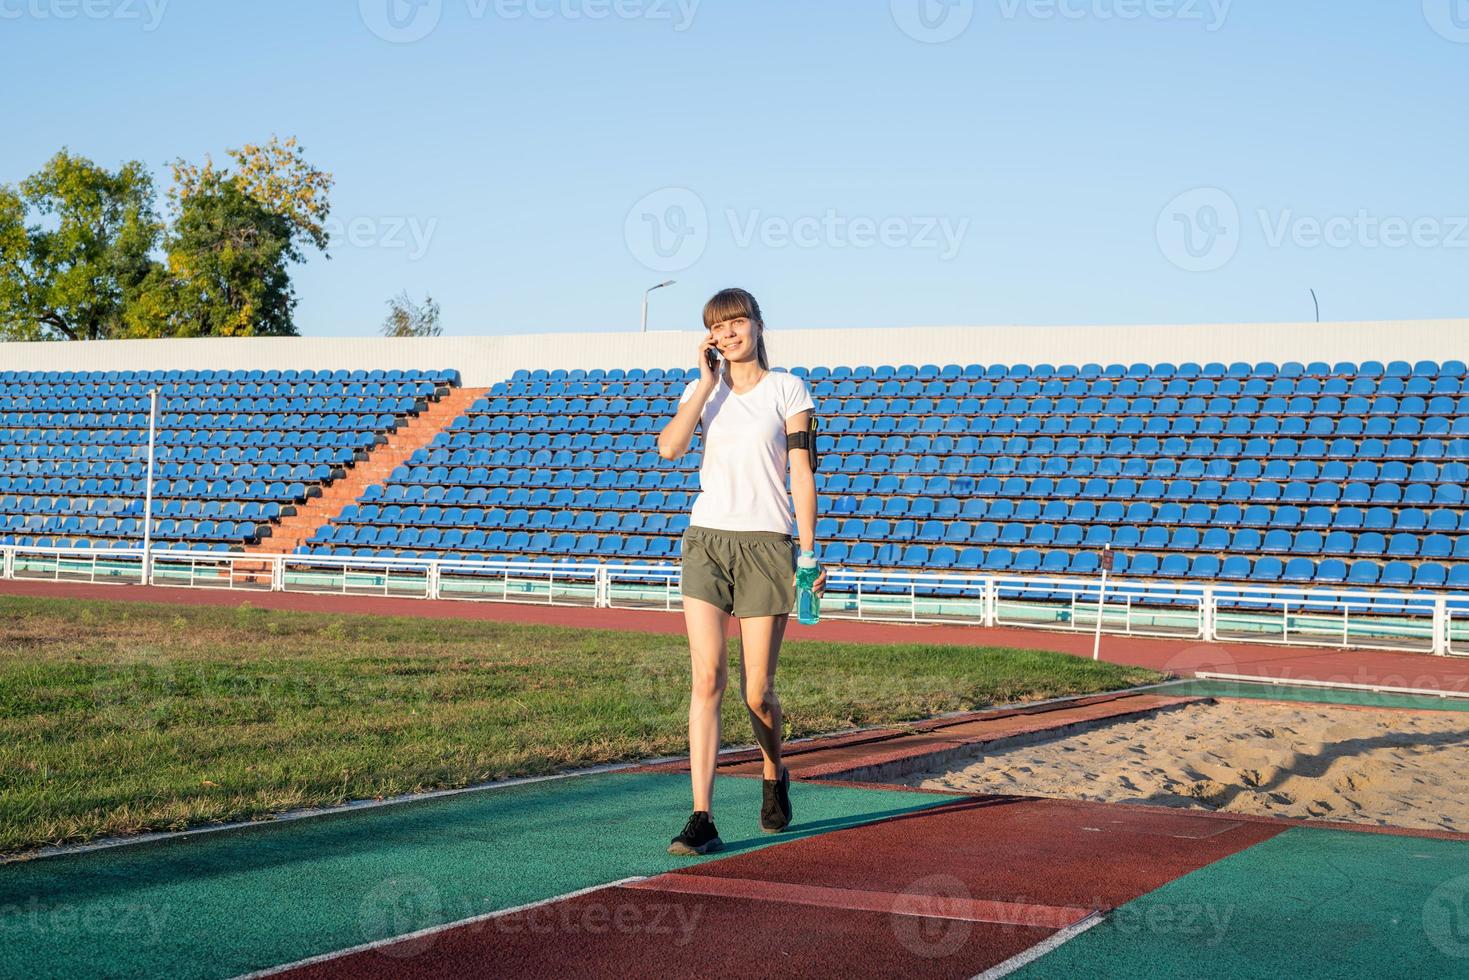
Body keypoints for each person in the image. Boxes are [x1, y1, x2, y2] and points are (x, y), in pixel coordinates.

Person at [655, 287, 827, 856]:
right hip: (706, 542)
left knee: (757, 693)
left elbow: (801, 474)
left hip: (767, 545)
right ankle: (702, 815)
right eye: (717, 327)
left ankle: (774, 768)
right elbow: (670, 449)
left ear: (756, 324)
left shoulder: (788, 388)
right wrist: (704, 384)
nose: (728, 333)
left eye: (737, 321)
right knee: (707, 680)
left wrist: (808, 554)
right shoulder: (702, 391)